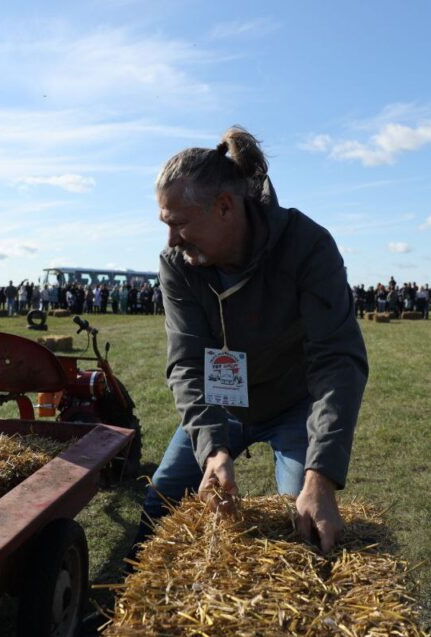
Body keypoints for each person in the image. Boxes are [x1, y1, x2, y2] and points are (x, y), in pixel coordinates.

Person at [135, 126, 369, 556]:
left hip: (294, 404)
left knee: (302, 518)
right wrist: (212, 450)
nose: (170, 240)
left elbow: (337, 360)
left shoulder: (307, 246)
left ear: (225, 206)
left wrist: (321, 475)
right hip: (221, 403)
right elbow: (186, 363)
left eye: (180, 224)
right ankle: (129, 610)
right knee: (160, 500)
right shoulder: (178, 264)